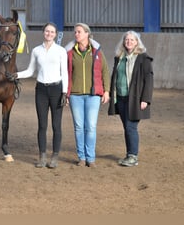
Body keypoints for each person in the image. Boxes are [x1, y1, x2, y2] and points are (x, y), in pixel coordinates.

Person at [11, 22, 68, 168]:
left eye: (52, 32)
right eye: (47, 31)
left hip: (56, 89)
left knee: (56, 125)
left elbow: (65, 73)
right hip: (41, 90)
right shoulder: (36, 51)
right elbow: (30, 71)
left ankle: (54, 157)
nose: (49, 34)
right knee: (42, 125)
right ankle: (42, 156)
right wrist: (16, 74)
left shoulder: (61, 51)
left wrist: (64, 93)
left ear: (55, 34)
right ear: (44, 32)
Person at [64, 23, 110, 168]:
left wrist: (106, 90)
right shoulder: (70, 53)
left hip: (93, 95)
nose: (76, 34)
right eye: (75, 32)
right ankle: (81, 157)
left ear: (87, 34)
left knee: (90, 126)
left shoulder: (97, 52)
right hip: (75, 95)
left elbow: (105, 71)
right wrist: (66, 93)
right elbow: (65, 74)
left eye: (79, 32)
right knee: (78, 127)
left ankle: (91, 157)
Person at [108, 31, 153, 167]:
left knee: (130, 127)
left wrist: (145, 99)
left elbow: (149, 80)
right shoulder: (119, 57)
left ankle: (133, 156)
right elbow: (114, 77)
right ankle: (129, 155)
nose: (129, 42)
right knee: (127, 127)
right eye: (126, 40)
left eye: (132, 40)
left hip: (135, 99)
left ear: (137, 42)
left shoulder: (143, 58)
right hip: (121, 98)